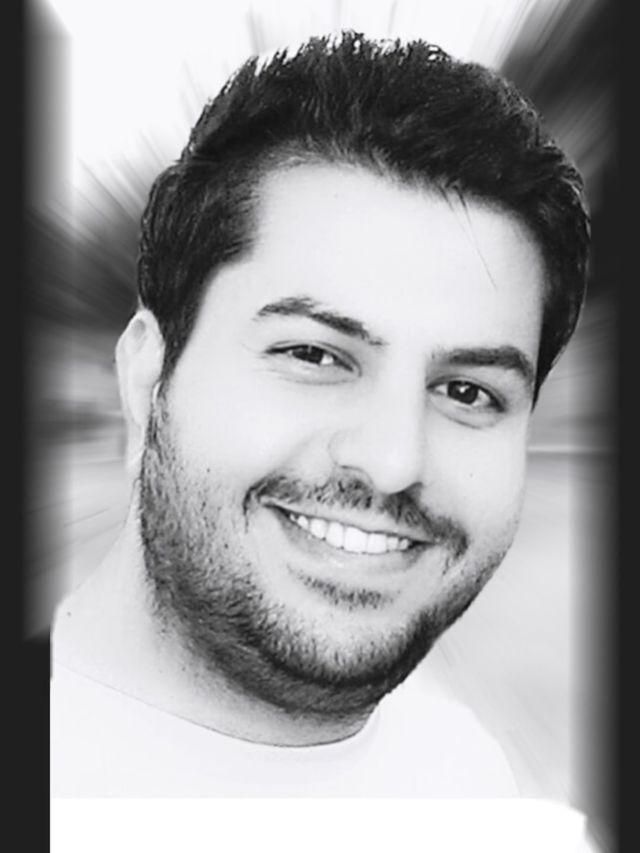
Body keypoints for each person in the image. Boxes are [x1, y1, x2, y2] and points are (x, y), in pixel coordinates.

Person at [50, 31, 590, 800]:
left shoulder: (465, 779)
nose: (393, 460)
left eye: (468, 392)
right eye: (314, 354)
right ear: (146, 377)